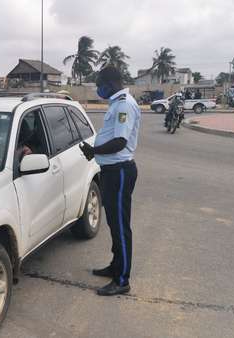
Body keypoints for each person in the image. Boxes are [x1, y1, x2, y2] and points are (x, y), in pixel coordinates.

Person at [79, 66, 140, 296]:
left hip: (120, 172)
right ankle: (116, 266)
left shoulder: (124, 104)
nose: (98, 88)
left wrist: (94, 151)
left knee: (121, 226)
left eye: (99, 84)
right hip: (112, 171)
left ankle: (122, 279)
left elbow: (120, 142)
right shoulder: (117, 103)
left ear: (110, 82)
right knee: (114, 223)